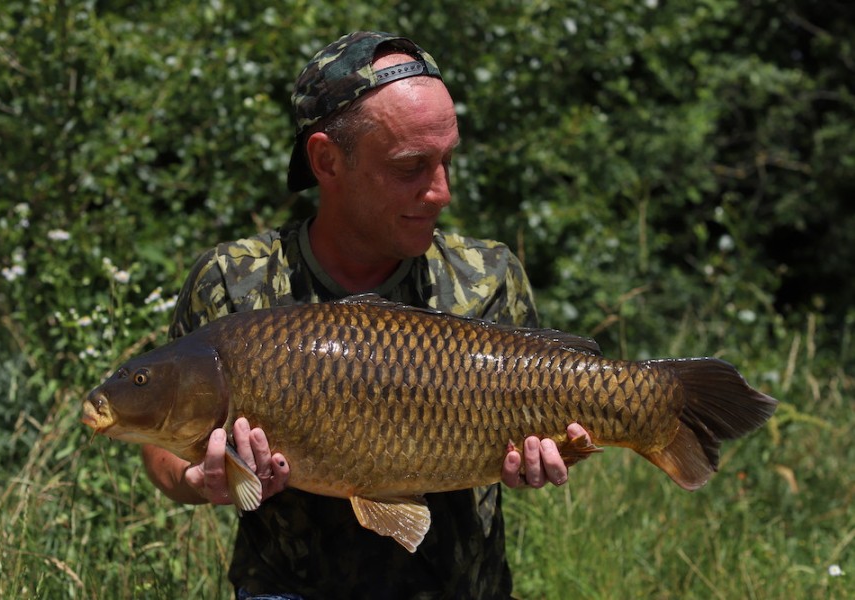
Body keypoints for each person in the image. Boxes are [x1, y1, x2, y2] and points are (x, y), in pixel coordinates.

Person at [142, 31, 591, 599]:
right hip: (287, 589)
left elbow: (548, 437)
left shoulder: (488, 277)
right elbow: (157, 440)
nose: (442, 192)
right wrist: (197, 479)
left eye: (447, 161)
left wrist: (549, 456)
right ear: (327, 160)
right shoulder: (235, 283)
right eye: (411, 168)